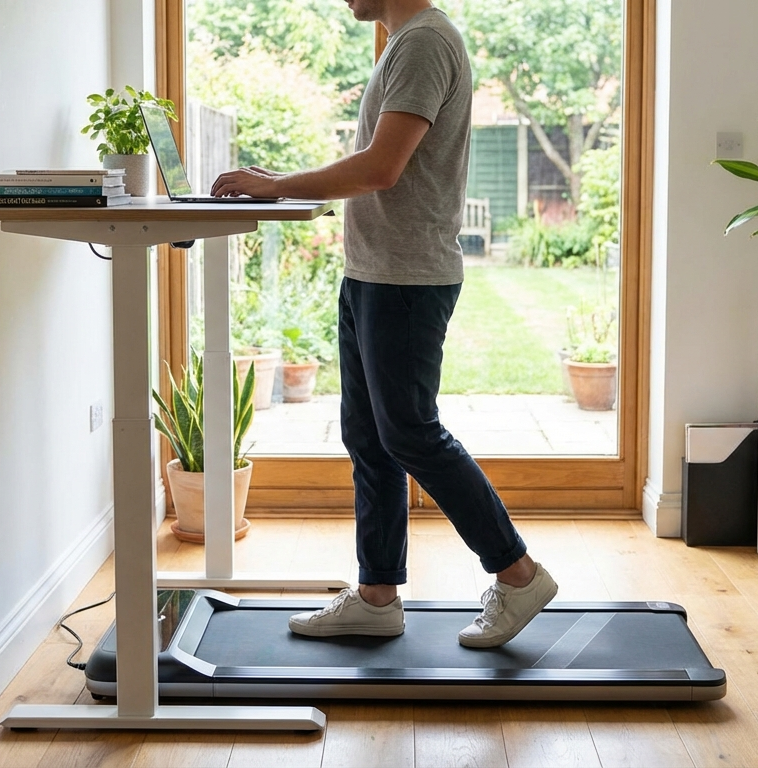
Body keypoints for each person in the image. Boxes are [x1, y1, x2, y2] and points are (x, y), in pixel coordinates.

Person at [209, 0, 557, 648]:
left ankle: (518, 574)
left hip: (406, 278)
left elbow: (381, 166)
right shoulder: (404, 42)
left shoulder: (425, 44)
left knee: (410, 434)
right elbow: (379, 160)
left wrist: (275, 184)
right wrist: (280, 184)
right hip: (374, 271)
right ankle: (376, 596)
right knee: (368, 436)